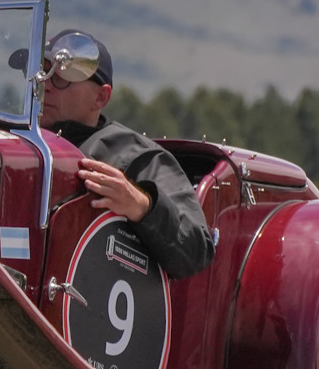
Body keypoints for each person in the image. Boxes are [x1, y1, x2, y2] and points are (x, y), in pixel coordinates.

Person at [39, 29, 213, 278]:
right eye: (42, 73)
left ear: (100, 97)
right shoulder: (13, 144)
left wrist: (141, 205)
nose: (45, 85)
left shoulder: (139, 156)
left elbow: (197, 250)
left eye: (62, 76)